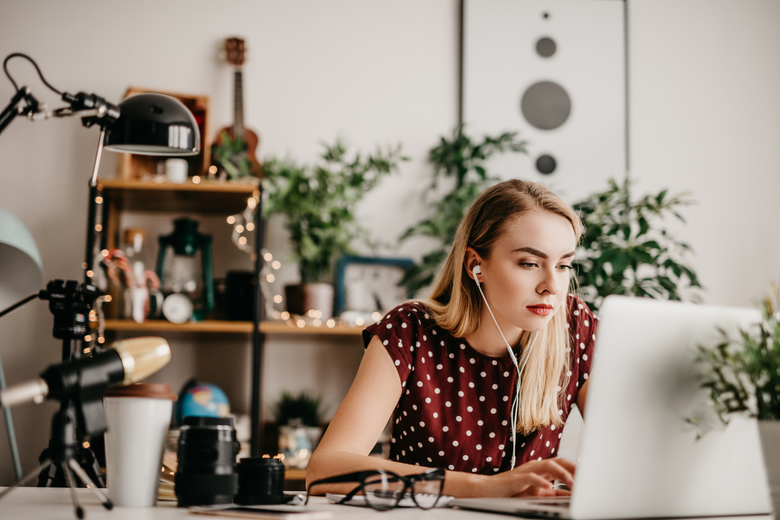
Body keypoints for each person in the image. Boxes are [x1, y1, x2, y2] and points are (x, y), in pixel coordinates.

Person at [306, 179, 597, 498]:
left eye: (564, 265)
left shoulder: (574, 325)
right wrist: (483, 487)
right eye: (529, 263)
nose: (552, 286)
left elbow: (628, 444)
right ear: (476, 265)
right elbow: (324, 470)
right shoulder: (410, 330)